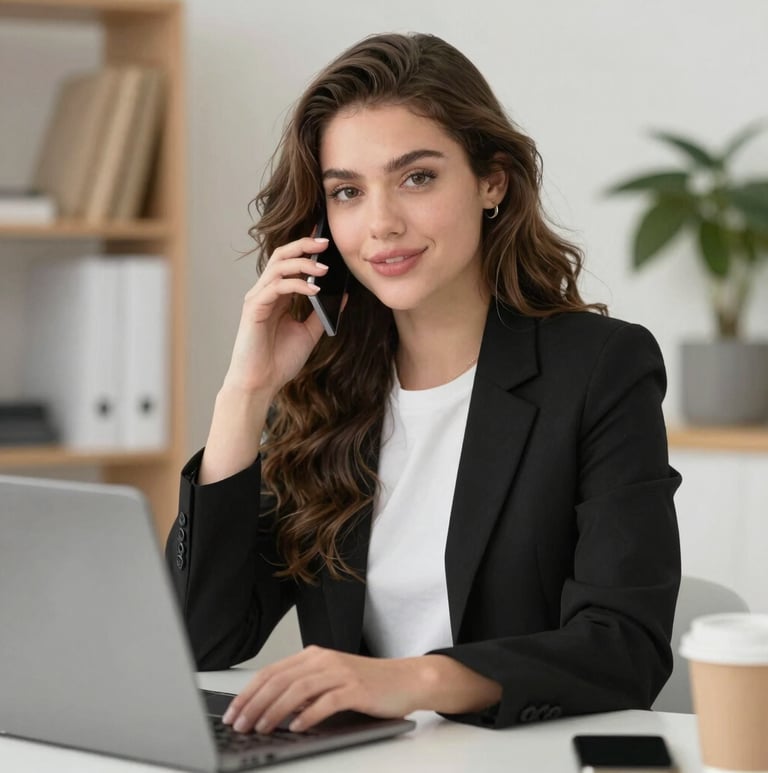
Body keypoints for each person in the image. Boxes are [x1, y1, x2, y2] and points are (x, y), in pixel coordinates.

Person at [165, 32, 681, 735]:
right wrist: (244, 394)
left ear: (492, 181)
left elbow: (626, 647)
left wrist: (414, 680)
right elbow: (200, 637)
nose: (380, 224)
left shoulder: (600, 368)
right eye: (348, 192)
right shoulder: (326, 384)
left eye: (417, 178)